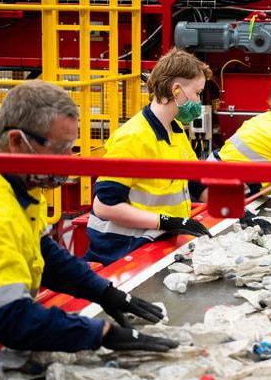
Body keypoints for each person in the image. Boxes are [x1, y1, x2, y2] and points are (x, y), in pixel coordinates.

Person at [0, 80, 177, 353]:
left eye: (72, 145)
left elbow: (43, 252)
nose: (70, 158)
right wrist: (100, 333)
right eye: (60, 149)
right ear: (17, 141)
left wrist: (104, 291)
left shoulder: (3, 171)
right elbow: (11, 319)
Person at [85, 49, 213, 266]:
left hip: (157, 241)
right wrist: (166, 221)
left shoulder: (175, 130)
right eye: (197, 93)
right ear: (176, 90)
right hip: (124, 251)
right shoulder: (133, 137)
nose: (199, 102)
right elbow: (104, 206)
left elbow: (197, 183)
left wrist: (238, 211)